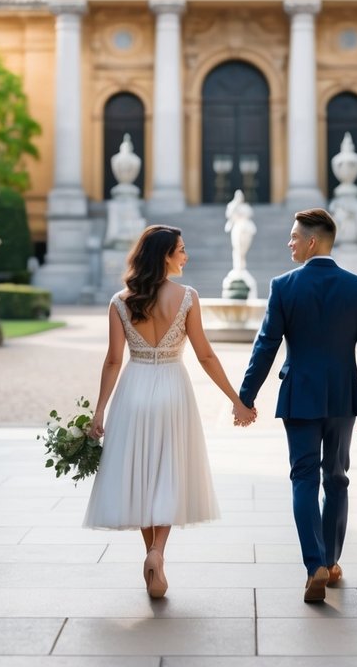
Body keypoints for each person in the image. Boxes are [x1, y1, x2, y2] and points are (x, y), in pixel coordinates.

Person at [83, 224, 257, 598]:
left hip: (134, 389)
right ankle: (158, 553)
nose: (185, 255)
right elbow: (205, 355)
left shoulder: (119, 301)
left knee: (142, 476)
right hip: (173, 390)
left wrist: (99, 411)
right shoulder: (187, 297)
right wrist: (236, 400)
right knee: (167, 474)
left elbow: (113, 361)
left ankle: (151, 555)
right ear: (163, 255)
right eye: (180, 249)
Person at [238, 208, 357, 603]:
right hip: (342, 397)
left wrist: (245, 397)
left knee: (304, 478)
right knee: (336, 478)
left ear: (312, 242)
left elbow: (266, 345)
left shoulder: (284, 286)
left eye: (294, 236)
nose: (289, 242)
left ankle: (314, 565)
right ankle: (332, 562)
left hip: (299, 394)